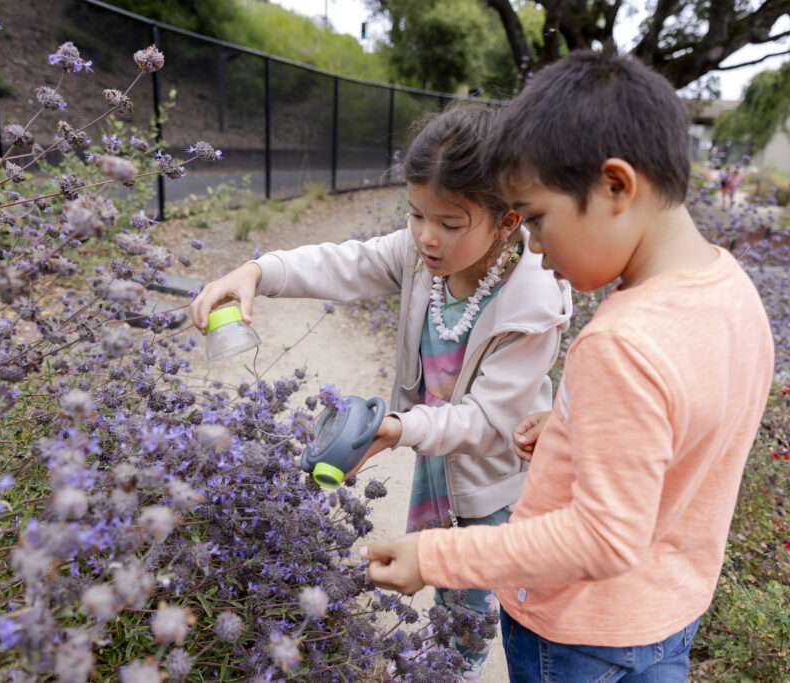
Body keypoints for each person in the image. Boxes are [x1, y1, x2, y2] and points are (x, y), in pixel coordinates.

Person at [361, 50, 775, 683]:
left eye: (536, 219)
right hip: (665, 612)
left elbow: (603, 539)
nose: (533, 248)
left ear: (615, 186)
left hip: (577, 632)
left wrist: (440, 554)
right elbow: (683, 427)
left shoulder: (622, 344)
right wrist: (571, 426)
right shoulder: (730, 291)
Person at [190, 103, 572, 680]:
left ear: (507, 221)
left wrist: (397, 429)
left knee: (471, 601)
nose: (426, 236)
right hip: (436, 460)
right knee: (445, 580)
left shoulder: (532, 304)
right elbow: (344, 263)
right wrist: (258, 273)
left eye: (449, 223)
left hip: (494, 481)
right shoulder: (421, 260)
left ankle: (454, 667)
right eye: (415, 214)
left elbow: (484, 421)